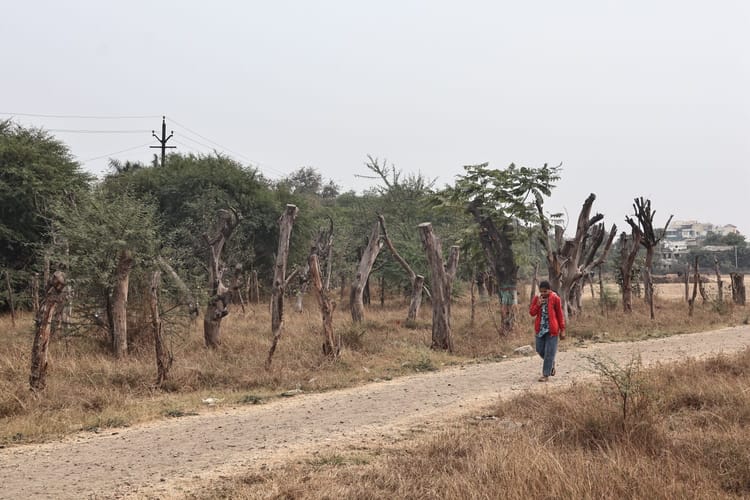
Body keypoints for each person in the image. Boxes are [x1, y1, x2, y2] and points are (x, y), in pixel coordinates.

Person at [529, 281, 565, 382]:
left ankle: (545, 374)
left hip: (552, 330)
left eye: (545, 291)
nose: (543, 293)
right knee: (539, 349)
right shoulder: (537, 298)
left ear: (550, 290)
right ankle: (551, 363)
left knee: (549, 352)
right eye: (541, 291)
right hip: (540, 329)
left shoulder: (555, 298)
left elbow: (560, 314)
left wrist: (562, 329)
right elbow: (532, 313)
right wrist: (538, 305)